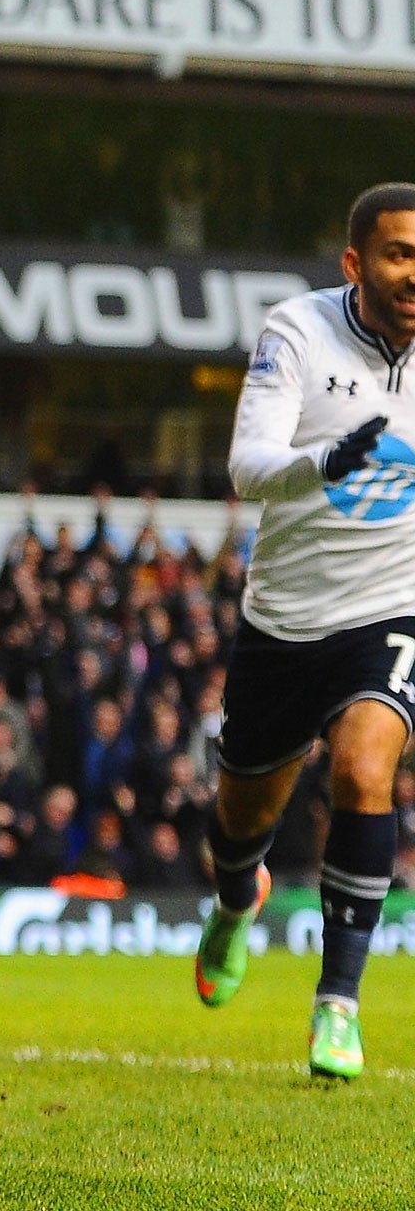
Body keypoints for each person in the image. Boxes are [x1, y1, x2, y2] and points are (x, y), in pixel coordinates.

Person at [194, 182, 415, 1080]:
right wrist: (325, 462)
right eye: (400, 254)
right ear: (356, 263)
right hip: (286, 620)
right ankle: (235, 898)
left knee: (368, 770)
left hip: (393, 605)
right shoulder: (297, 330)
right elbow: (248, 469)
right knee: (243, 819)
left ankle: (338, 1005)